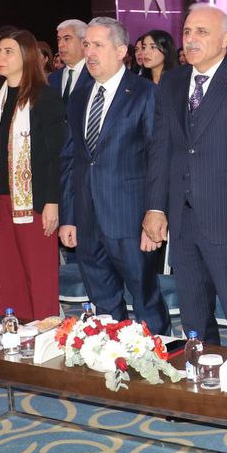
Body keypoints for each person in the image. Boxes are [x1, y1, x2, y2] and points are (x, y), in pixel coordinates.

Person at [143, 3, 227, 350]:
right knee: (195, 320)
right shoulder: (172, 81)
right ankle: (204, 376)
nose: (191, 39)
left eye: (201, 32)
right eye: (187, 31)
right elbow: (161, 149)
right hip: (183, 221)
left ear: (225, 39)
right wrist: (155, 208)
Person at [58, 18, 169, 333]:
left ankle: (159, 357)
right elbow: (71, 158)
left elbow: (158, 159)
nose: (89, 52)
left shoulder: (145, 93)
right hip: (88, 219)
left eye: (98, 45)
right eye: (87, 45)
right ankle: (112, 356)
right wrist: (69, 217)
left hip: (131, 218)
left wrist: (154, 213)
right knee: (103, 303)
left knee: (145, 300)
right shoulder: (80, 95)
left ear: (121, 51)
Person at [0, 30, 65, 322]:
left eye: (8, 51)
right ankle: (15, 329)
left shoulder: (45, 97)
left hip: (34, 199)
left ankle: (45, 332)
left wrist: (52, 201)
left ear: (26, 56)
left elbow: (55, 155)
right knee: (8, 271)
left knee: (39, 272)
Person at [50, 19, 89, 107]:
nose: (60, 45)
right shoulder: (52, 79)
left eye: (67, 39)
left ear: (83, 43)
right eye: (59, 39)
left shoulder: (94, 76)